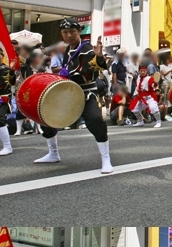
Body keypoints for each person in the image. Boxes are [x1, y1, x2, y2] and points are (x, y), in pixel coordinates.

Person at [34, 19, 113, 174]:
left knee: (95, 120)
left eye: (72, 32)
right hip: (69, 92)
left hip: (87, 92)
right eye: (65, 32)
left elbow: (92, 69)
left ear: (79, 32)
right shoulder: (67, 50)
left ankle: (106, 158)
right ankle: (53, 153)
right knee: (45, 115)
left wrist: (99, 58)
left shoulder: (87, 48)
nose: (69, 35)